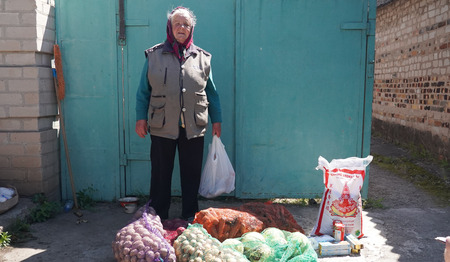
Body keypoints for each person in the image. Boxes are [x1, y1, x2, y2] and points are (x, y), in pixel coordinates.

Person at [135, 6, 222, 221]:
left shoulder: (202, 58)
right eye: (177, 24)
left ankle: (190, 216)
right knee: (161, 174)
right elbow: (142, 91)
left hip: (193, 126)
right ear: (170, 28)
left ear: (191, 28)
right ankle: (158, 216)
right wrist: (140, 118)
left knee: (191, 175)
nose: (181, 28)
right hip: (162, 125)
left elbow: (212, 92)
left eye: (186, 24)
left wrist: (217, 120)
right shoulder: (154, 56)